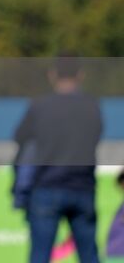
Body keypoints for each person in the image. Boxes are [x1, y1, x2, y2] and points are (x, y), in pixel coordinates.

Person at [15, 54, 104, 263]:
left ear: (52, 75)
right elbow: (97, 136)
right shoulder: (92, 106)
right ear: (81, 75)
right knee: (89, 254)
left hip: (46, 186)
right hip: (83, 187)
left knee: (40, 255)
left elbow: (21, 138)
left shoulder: (40, 106)